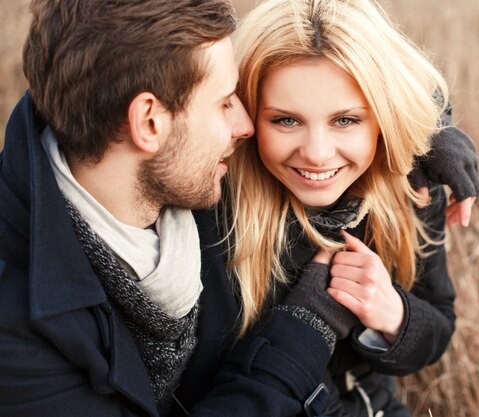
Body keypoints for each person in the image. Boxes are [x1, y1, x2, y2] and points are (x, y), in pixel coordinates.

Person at [0, 1, 375, 416]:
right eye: (224, 102)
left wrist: (428, 140)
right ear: (149, 123)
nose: (245, 126)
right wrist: (301, 331)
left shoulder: (171, 177)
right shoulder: (16, 331)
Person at [223, 0, 479, 415]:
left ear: (383, 117)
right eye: (285, 120)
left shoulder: (409, 191)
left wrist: (392, 312)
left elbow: (439, 325)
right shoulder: (219, 208)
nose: (317, 154)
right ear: (247, 113)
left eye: (345, 120)